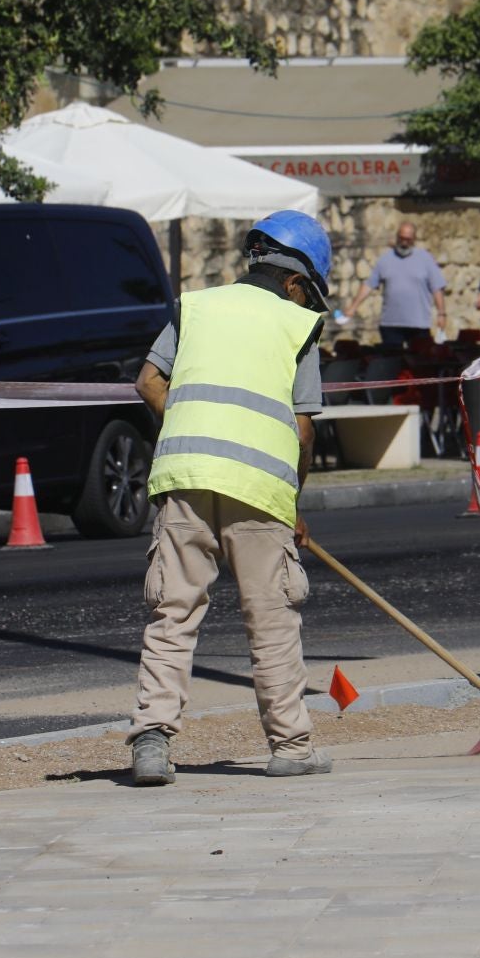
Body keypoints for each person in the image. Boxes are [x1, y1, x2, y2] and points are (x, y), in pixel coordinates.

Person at [128, 210, 334, 786]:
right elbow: (302, 431)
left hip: (185, 476)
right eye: (310, 293)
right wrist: (293, 504)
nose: (309, 303)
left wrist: (201, 425)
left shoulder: (195, 307)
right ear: (297, 282)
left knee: (173, 613)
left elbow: (148, 381)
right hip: (261, 492)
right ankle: (291, 747)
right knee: (270, 619)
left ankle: (151, 744)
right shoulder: (299, 325)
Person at [345, 221, 447, 347]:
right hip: (391, 324)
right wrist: (353, 307)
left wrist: (441, 314)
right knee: (392, 362)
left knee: (418, 363)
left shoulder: (425, 259)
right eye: (401, 238)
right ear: (397, 237)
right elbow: (369, 284)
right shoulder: (385, 259)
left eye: (408, 239)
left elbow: (437, 288)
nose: (404, 242)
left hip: (418, 324)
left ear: (414, 239)